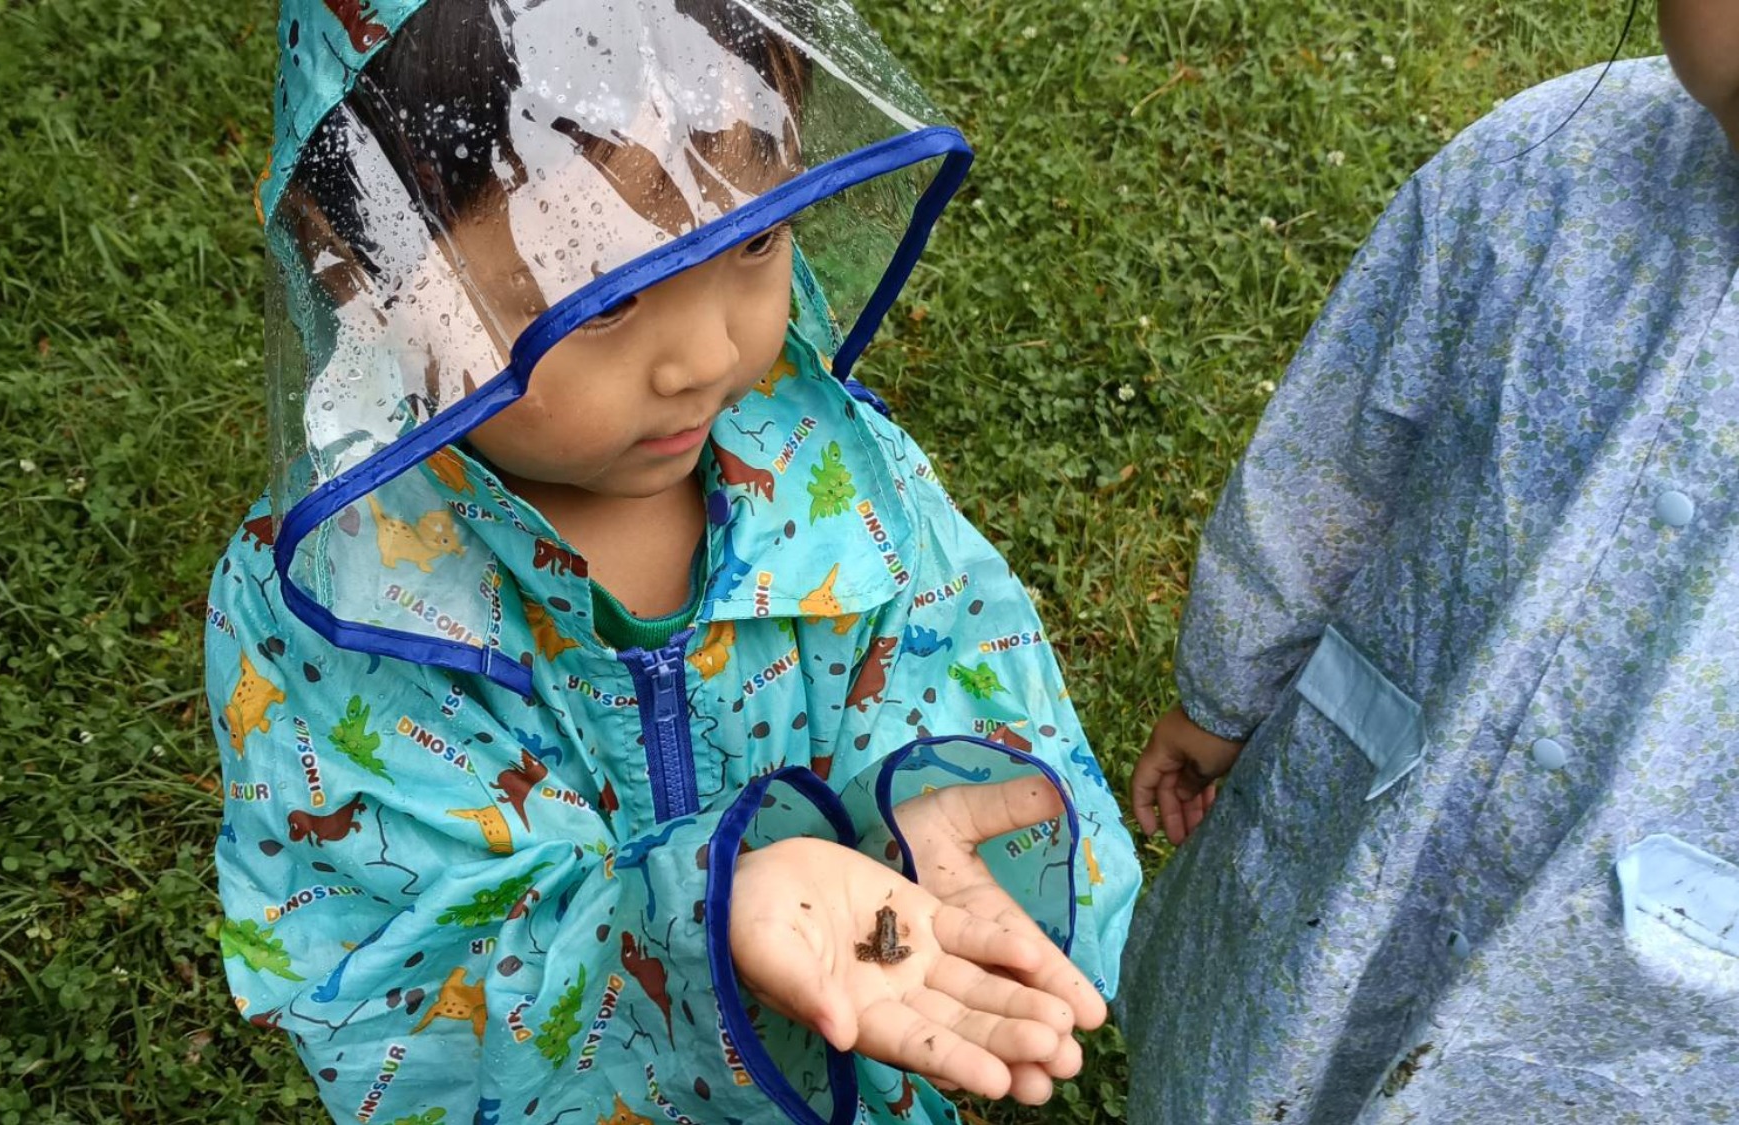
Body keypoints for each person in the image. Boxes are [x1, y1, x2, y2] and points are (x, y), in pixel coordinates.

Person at [207, 2, 1140, 1123]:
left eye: (750, 237)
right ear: (355, 258)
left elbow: (983, 685)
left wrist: (931, 806)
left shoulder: (837, 478)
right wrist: (703, 914)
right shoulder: (338, 612)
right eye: (589, 289)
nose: (705, 355)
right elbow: (404, 987)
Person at [1120, 1, 1739, 1120]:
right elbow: (1337, 456)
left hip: (1640, 999)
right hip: (1351, 814)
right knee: (1261, 1048)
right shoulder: (1548, 166)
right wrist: (1226, 688)